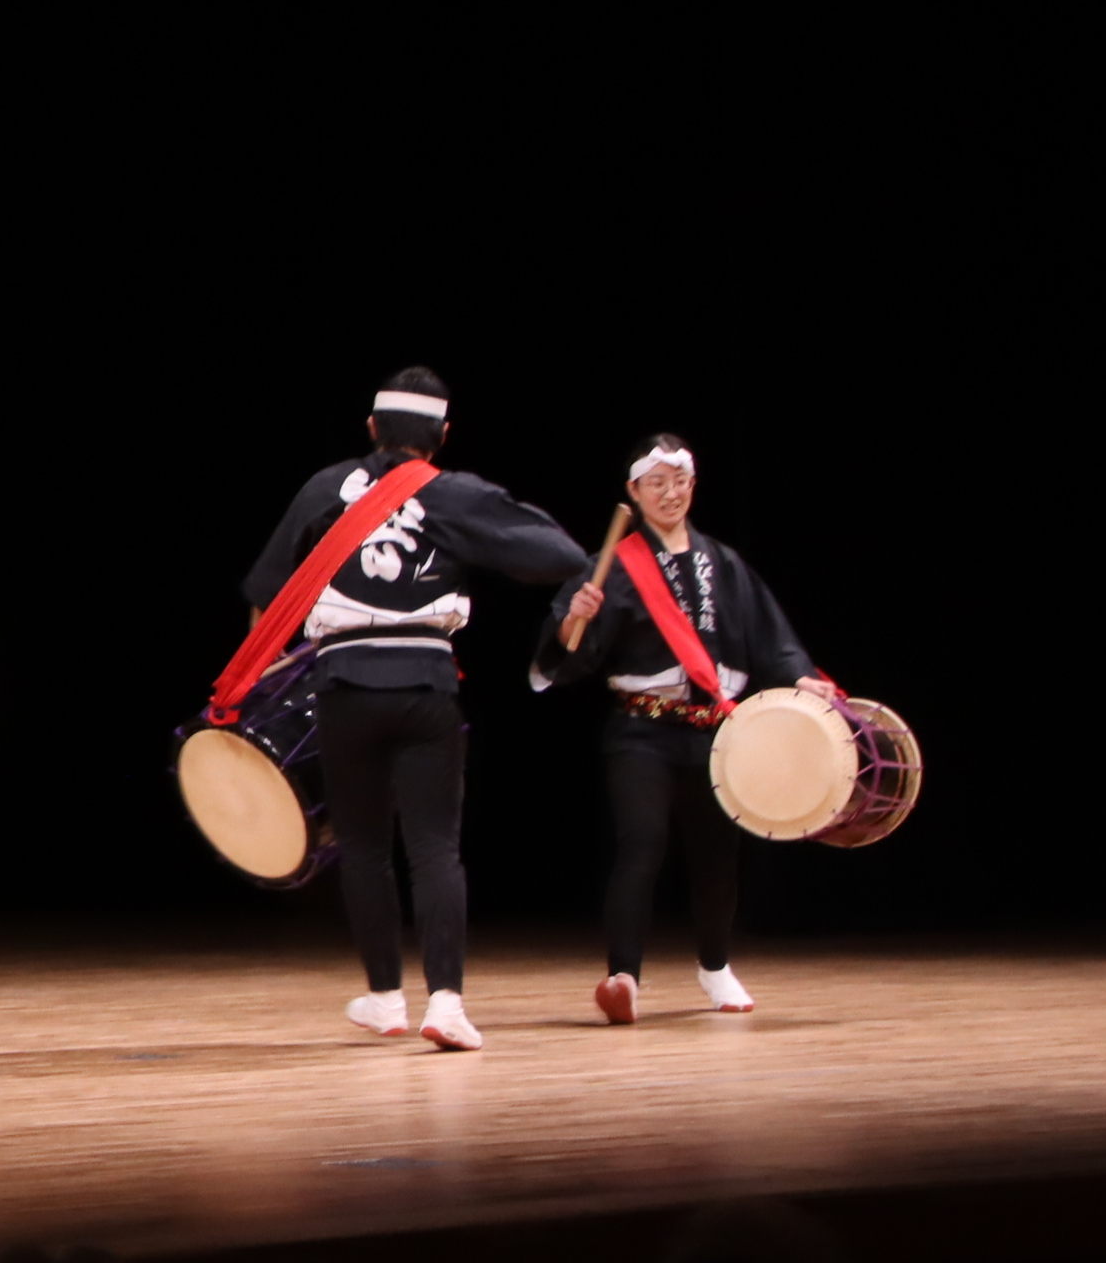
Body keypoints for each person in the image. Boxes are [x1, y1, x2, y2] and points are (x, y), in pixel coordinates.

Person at [238, 369, 586, 1052]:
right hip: (427, 686)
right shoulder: (454, 493)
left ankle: (385, 998)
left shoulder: (323, 486)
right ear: (443, 436)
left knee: (364, 848)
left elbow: (266, 590)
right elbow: (561, 554)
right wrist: (482, 537)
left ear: (371, 429)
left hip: (342, 687)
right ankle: (447, 1005)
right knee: (435, 849)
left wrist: (259, 682)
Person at [532, 434, 827, 1022]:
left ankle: (715, 968)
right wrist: (573, 622)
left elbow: (773, 639)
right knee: (641, 846)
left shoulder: (726, 564)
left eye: (680, 481)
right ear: (633, 493)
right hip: (643, 733)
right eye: (657, 482)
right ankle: (623, 977)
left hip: (719, 733)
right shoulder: (611, 568)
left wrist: (802, 677)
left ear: (693, 486)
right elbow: (570, 659)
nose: (671, 492)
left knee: (718, 854)